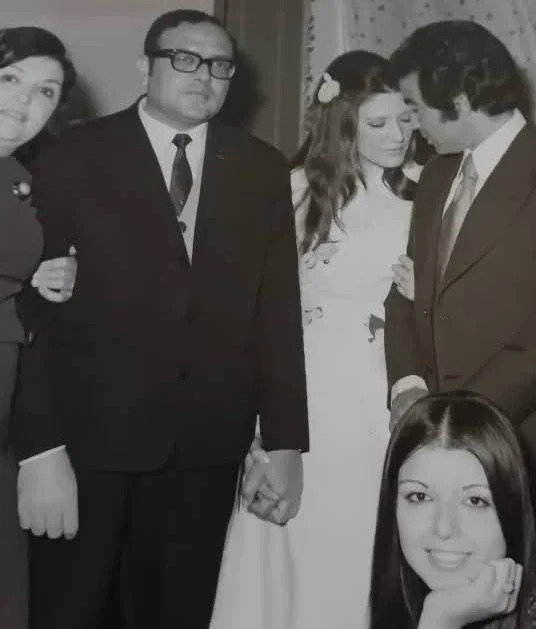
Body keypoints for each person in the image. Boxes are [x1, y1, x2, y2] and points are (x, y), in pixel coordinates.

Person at [10, 10, 308, 629]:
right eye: (185, 59)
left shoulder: (260, 167)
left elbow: (275, 310)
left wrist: (284, 440)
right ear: (145, 67)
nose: (204, 76)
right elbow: (35, 311)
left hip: (206, 448)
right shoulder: (70, 155)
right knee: (71, 612)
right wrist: (39, 449)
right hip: (86, 444)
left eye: (220, 66)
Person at [384, 20, 536, 549]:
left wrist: (467, 413)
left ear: (460, 101)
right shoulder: (437, 177)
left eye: (416, 108)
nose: (412, 125)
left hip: (530, 435)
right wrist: (408, 385)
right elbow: (406, 290)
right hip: (441, 436)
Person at [211, 50, 416, 629]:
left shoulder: (425, 193)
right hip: (303, 388)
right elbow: (253, 309)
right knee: (294, 530)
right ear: (341, 123)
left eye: (406, 119)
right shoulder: (290, 192)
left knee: (363, 531)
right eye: (378, 123)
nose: (398, 135)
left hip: (381, 389)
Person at [370, 390, 536, 628]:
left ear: (511, 508)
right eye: (419, 496)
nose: (443, 528)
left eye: (475, 501)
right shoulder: (407, 596)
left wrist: (441, 620)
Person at [0, 25, 79, 629]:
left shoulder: (18, 179)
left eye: (46, 92)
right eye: (9, 79)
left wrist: (40, 278)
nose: (24, 102)